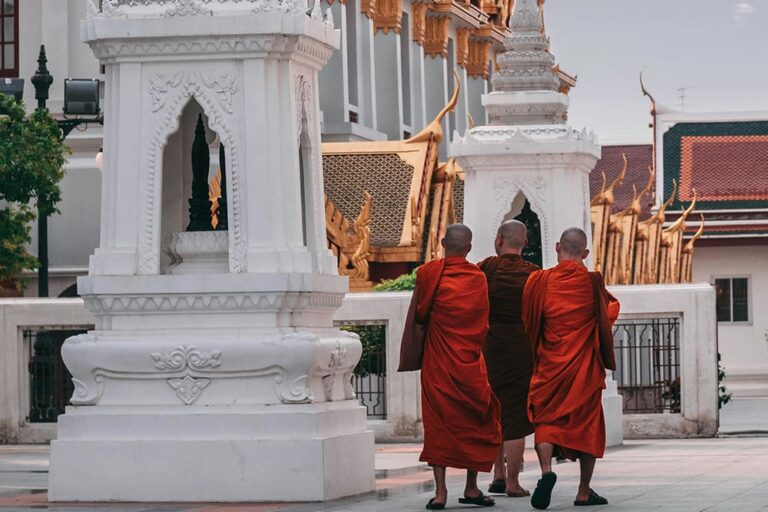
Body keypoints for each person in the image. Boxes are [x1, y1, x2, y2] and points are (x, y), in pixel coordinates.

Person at [522, 227, 620, 510]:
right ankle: (584, 490)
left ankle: (546, 472)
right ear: (585, 253)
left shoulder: (538, 281)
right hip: (583, 367)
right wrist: (594, 330)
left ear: (556, 248)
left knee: (546, 419)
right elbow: (610, 309)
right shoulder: (591, 283)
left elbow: (529, 320)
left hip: (549, 365)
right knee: (587, 424)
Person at [418, 224, 501, 510]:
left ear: (442, 243)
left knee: (438, 425)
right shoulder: (477, 278)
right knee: (475, 420)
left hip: (438, 363)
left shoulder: (428, 274)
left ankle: (440, 493)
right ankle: (471, 487)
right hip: (469, 363)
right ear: (469, 248)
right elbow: (482, 323)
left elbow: (420, 313)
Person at [477, 220, 539, 497]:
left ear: (499, 240)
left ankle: (497, 475)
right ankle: (512, 481)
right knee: (514, 415)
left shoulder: (486, 269)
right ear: (524, 243)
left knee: (494, 411)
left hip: (489, 348)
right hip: (521, 350)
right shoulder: (535, 275)